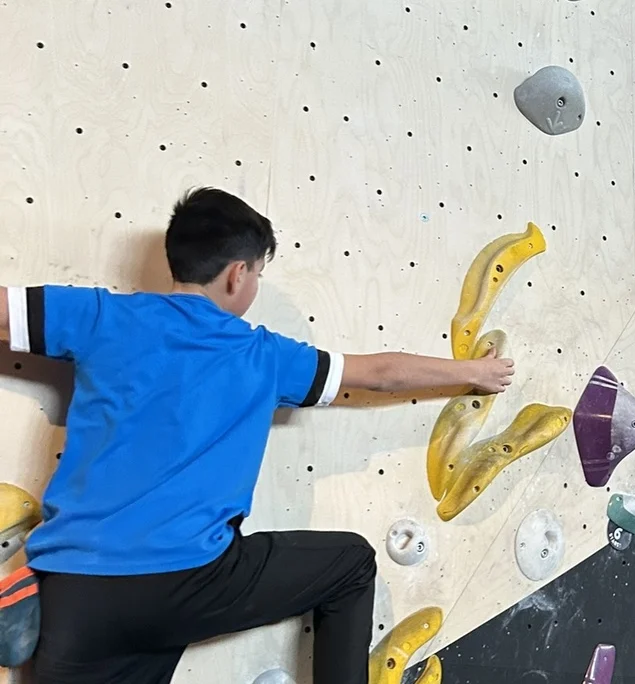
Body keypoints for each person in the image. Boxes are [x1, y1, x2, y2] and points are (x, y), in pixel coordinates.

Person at [0, 187, 516, 684]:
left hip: (73, 594)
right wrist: (472, 372)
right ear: (237, 274)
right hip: (189, 581)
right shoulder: (263, 356)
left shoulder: (101, 316)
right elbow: (380, 373)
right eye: (259, 274)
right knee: (351, 563)